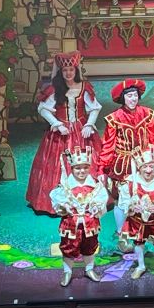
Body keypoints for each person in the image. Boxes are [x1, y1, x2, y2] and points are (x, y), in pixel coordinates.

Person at [26, 51, 102, 215]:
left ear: (76, 70)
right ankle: (59, 202)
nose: (68, 73)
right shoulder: (55, 89)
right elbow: (43, 109)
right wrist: (56, 123)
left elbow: (95, 108)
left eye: (71, 70)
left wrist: (89, 124)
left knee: (88, 161)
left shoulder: (83, 87)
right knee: (57, 164)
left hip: (82, 130)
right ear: (61, 72)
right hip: (61, 132)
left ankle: (87, 199)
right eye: (65, 71)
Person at [99, 78, 154, 249]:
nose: (133, 99)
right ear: (123, 98)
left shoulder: (147, 114)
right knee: (122, 200)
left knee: (144, 196)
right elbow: (108, 145)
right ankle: (122, 234)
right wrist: (101, 168)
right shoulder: (114, 118)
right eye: (129, 96)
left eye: (135, 95)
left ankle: (143, 229)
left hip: (144, 163)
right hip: (123, 165)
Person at [49, 146, 108, 287]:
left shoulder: (95, 185)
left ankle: (89, 270)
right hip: (71, 224)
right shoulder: (65, 185)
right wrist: (64, 206)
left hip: (90, 223)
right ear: (72, 168)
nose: (82, 171)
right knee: (68, 247)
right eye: (78, 168)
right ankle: (67, 272)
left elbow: (102, 199)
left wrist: (96, 207)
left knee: (90, 246)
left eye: (85, 168)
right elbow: (57, 202)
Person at [118, 147, 154, 279]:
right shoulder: (130, 183)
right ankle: (140, 266)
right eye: (145, 167)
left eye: (151, 166)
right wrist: (132, 207)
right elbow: (123, 202)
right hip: (138, 221)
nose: (149, 170)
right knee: (139, 242)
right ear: (139, 167)